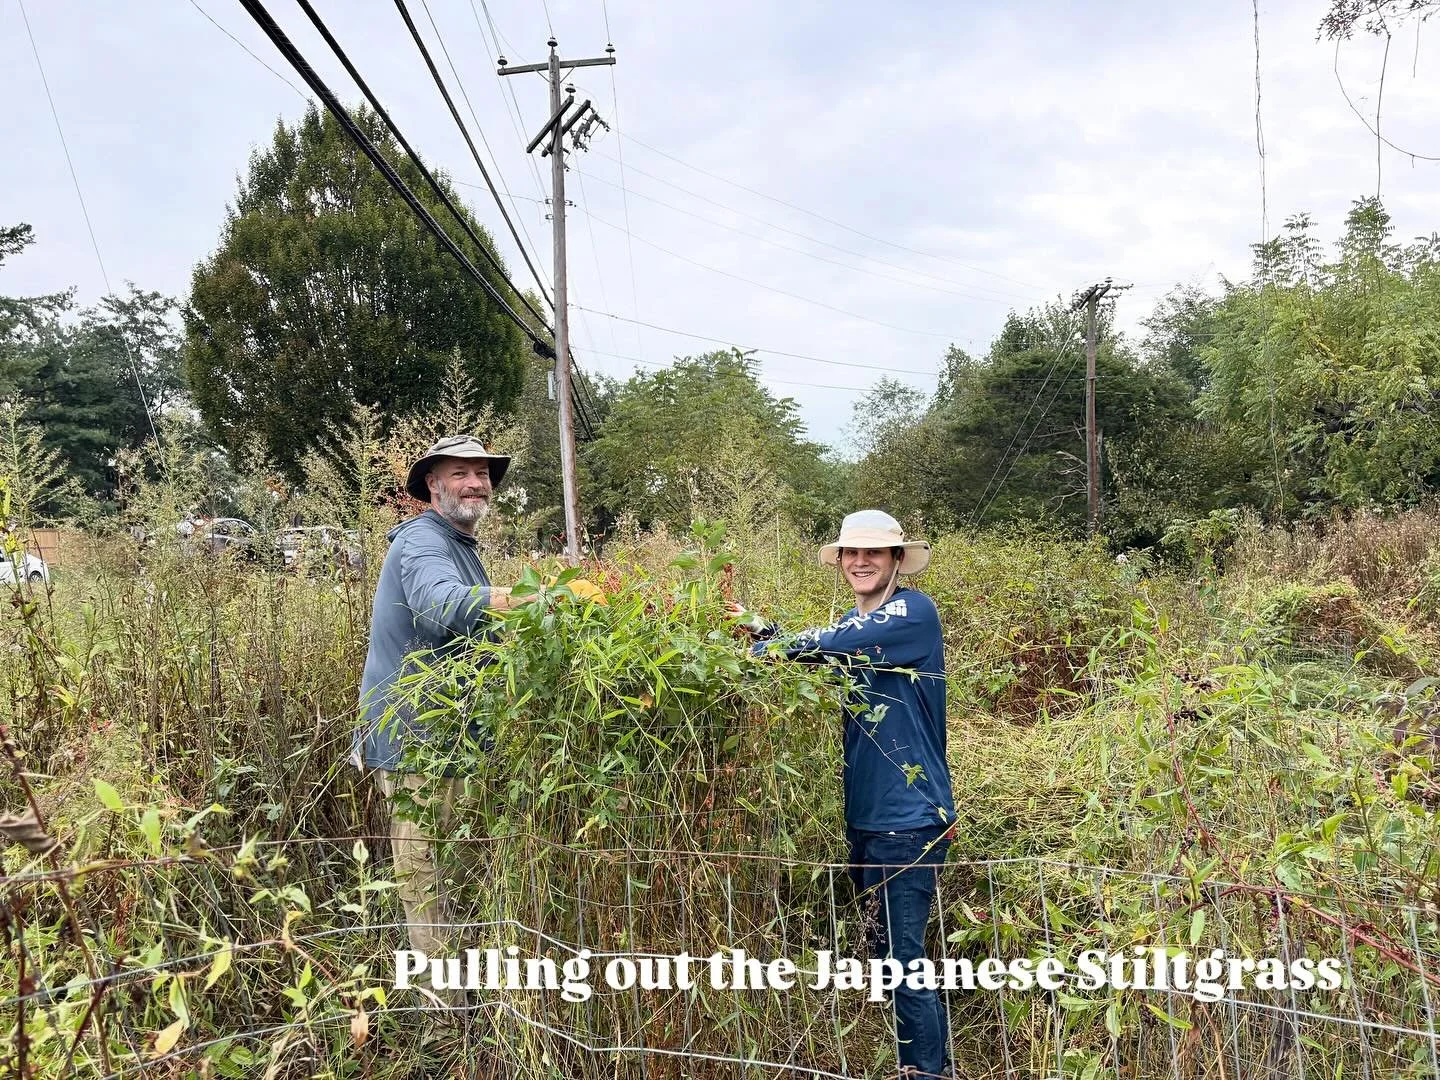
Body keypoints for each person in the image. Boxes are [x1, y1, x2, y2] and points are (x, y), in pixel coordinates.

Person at [740, 510, 955, 1077]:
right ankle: (926, 1064)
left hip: (908, 817)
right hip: (867, 816)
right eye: (851, 553)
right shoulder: (850, 626)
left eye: (873, 553)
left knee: (904, 962)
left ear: (897, 560)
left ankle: (924, 1073)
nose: (861, 562)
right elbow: (819, 650)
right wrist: (760, 633)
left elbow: (828, 644)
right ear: (839, 561)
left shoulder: (913, 611)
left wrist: (768, 644)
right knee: (889, 957)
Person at [352, 434, 517, 965]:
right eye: (459, 473)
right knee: (426, 881)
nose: (475, 483)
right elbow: (440, 605)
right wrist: (540, 597)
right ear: (432, 484)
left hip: (453, 738)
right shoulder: (423, 540)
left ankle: (464, 981)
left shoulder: (459, 547)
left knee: (456, 872)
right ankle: (441, 1002)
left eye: (482, 474)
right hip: (417, 742)